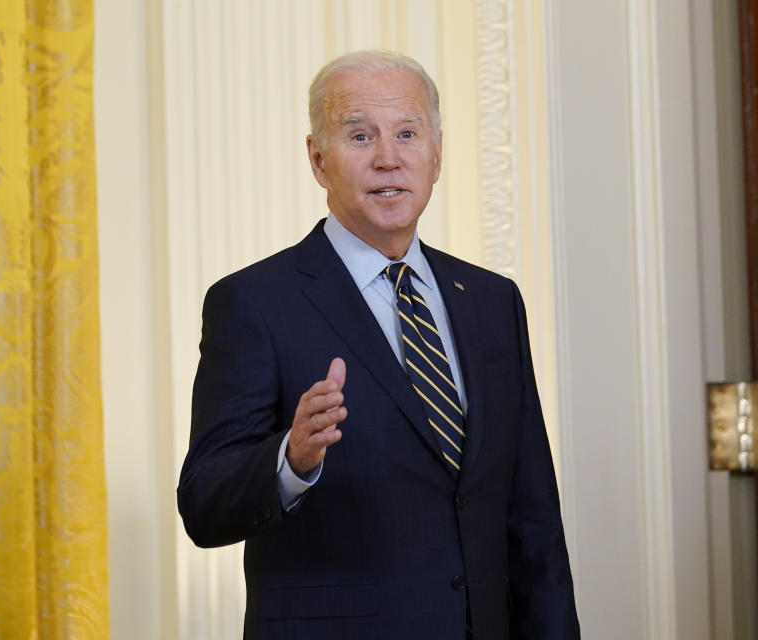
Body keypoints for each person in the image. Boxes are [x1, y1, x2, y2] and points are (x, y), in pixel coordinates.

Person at [177, 50, 579, 639]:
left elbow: (534, 514)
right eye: (360, 135)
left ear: (437, 154)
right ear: (317, 158)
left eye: (408, 134)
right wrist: (290, 459)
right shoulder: (255, 302)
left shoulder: (492, 301)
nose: (388, 159)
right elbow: (204, 503)